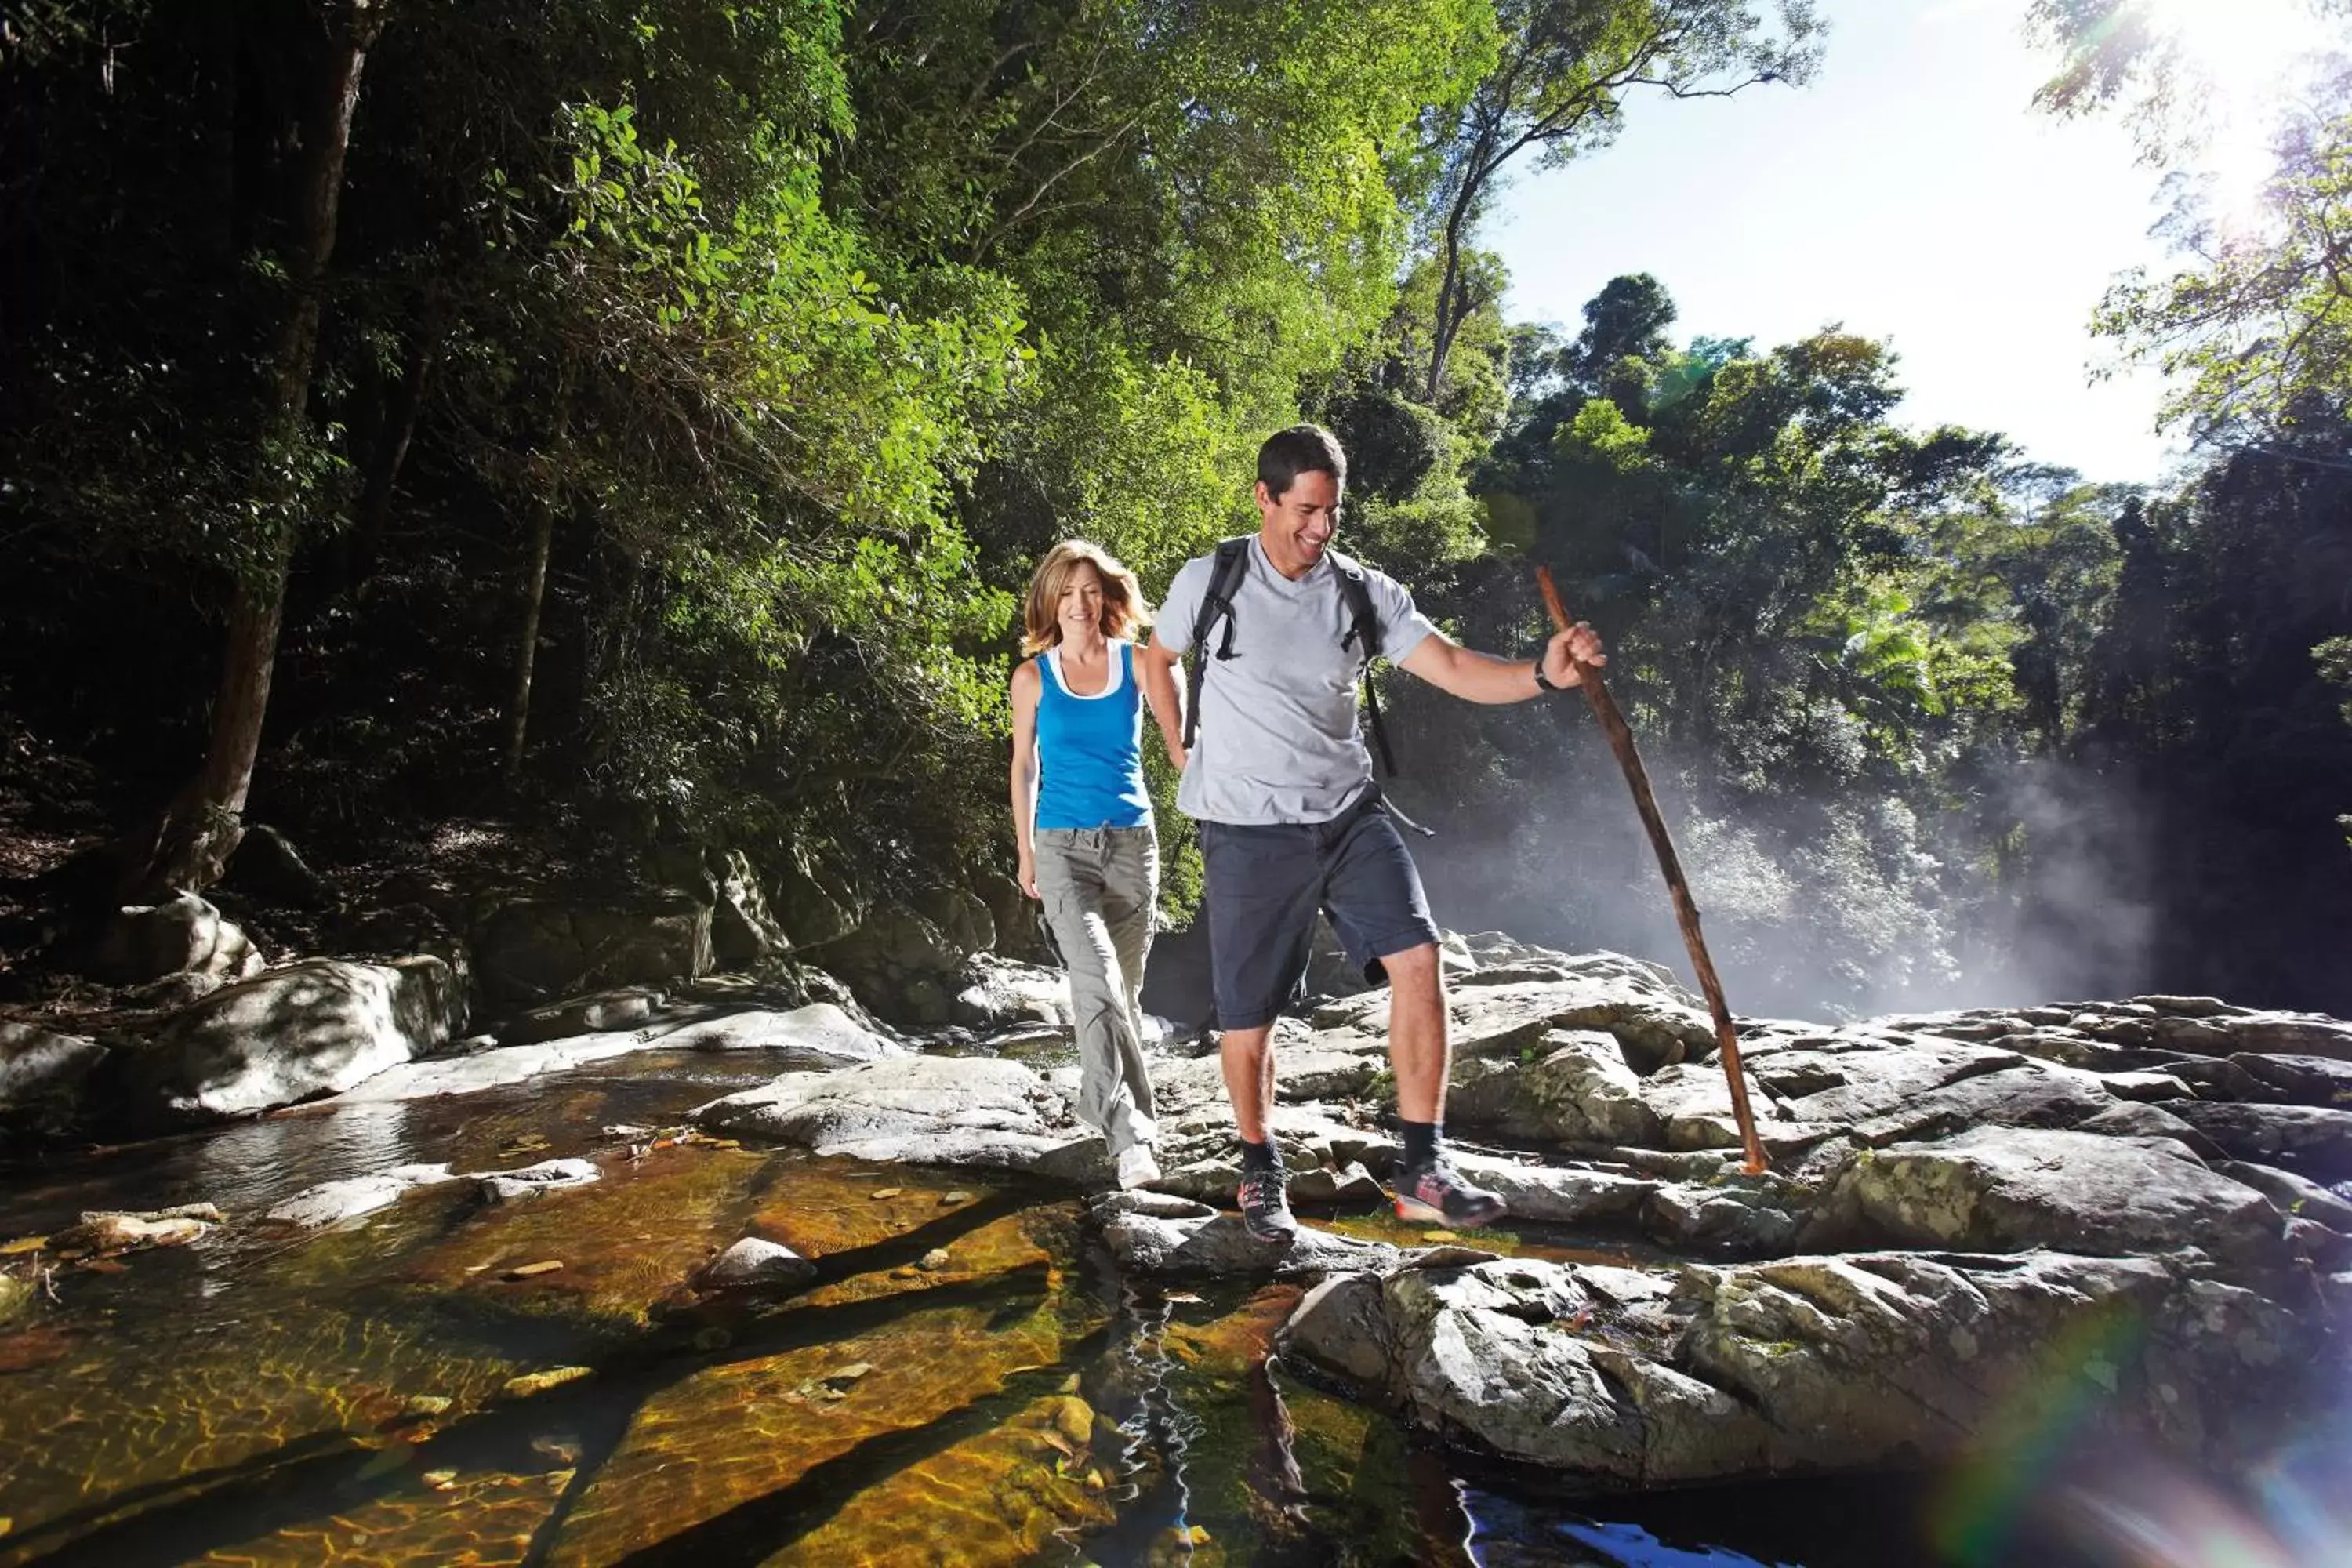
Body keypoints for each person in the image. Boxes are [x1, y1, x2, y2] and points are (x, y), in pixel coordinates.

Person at [1138, 424, 1606, 1243]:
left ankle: (1423, 1164)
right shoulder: (1210, 578)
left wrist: (1542, 673)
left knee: (1419, 958)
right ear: (1265, 499)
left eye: (1333, 513)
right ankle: (1259, 1167)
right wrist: (1183, 747)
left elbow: (1454, 666)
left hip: (1349, 814)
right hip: (1247, 830)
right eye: (1306, 511)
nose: (1319, 529)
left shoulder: (1364, 592)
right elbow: (1158, 657)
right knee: (1249, 1018)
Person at [1010, 539, 1163, 1191]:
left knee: (1120, 996)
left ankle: (1102, 1103)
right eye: (1066, 592)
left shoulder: (1139, 663)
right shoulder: (1032, 677)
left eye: (1090, 591)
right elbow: (1024, 765)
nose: (1078, 603)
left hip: (1133, 844)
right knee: (1097, 983)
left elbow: (1184, 737)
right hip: (1061, 847)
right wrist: (1024, 849)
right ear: (1051, 600)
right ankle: (1131, 1137)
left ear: (1107, 597)